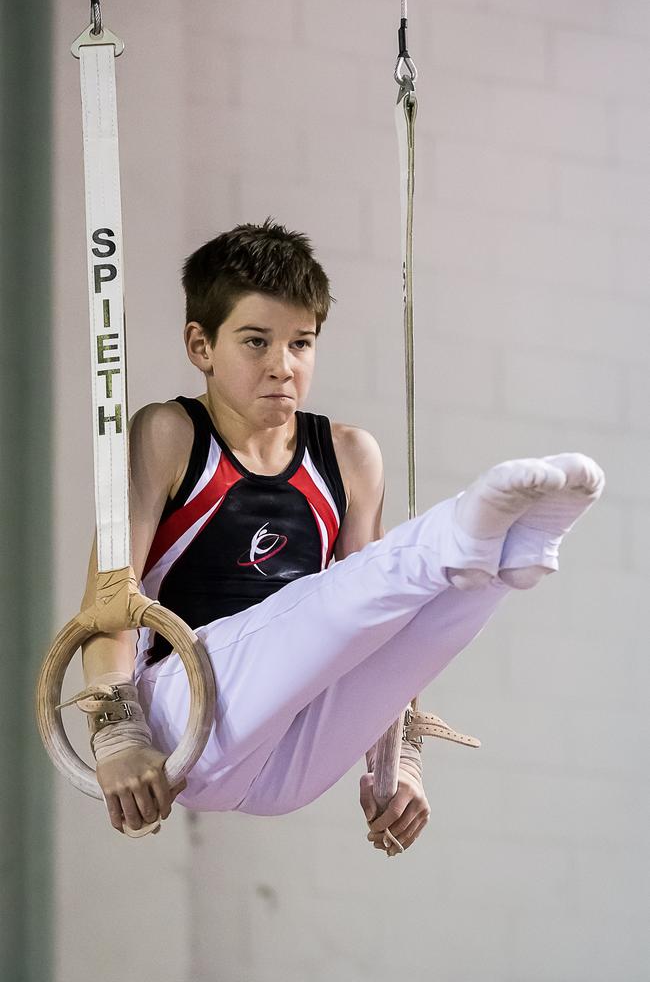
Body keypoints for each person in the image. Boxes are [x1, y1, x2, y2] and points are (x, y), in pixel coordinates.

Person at [78, 217, 605, 854]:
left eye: (301, 343)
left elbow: (373, 620)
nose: (282, 366)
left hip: (293, 766)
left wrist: (396, 762)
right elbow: (108, 607)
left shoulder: (350, 456)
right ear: (200, 346)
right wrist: (118, 735)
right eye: (255, 342)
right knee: (326, 606)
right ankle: (459, 534)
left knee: (404, 612)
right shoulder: (169, 436)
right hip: (186, 723)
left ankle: (504, 564)